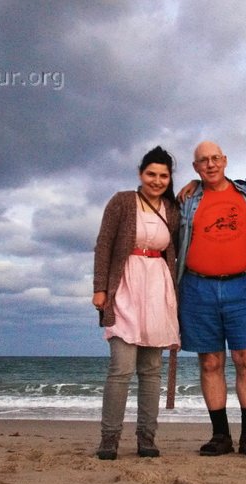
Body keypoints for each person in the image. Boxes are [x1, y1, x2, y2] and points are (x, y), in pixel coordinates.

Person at [177, 141, 246, 459]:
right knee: (210, 362)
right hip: (197, 288)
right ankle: (220, 436)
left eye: (215, 158)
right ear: (195, 168)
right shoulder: (187, 200)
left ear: (226, 160)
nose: (210, 164)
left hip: (245, 286)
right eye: (203, 161)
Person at [92, 146, 180, 460]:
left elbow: (178, 248)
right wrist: (100, 289)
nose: (157, 181)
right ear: (140, 174)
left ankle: (147, 439)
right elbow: (103, 244)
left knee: (152, 369)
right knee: (120, 368)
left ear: (170, 179)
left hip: (158, 286)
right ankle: (109, 439)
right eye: (151, 174)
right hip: (124, 285)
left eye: (163, 176)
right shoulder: (122, 201)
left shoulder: (172, 209)